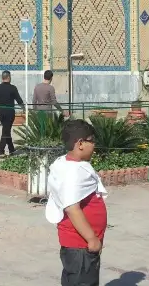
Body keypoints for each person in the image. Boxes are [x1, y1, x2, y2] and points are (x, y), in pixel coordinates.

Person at [46, 119, 107, 286]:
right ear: (80, 143)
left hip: (78, 245)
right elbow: (72, 208)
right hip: (80, 244)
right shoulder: (73, 171)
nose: (94, 145)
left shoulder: (68, 165)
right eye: (92, 141)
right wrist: (91, 238)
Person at [0, 70, 24, 157]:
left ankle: (11, 149)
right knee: (6, 131)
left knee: (6, 130)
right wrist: (24, 108)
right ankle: (0, 151)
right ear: (8, 77)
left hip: (1, 112)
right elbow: (19, 100)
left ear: (2, 78)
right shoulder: (13, 88)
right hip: (9, 113)